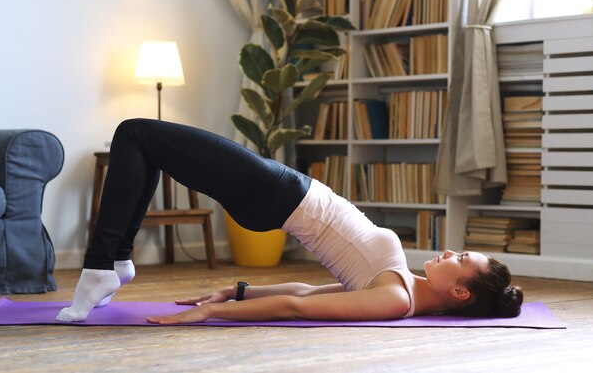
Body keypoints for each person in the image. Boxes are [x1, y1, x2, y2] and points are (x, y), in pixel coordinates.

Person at [56, 118, 523, 324]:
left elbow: (299, 311)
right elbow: (306, 292)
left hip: (279, 195)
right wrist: (234, 291)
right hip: (284, 192)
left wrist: (215, 313)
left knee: (134, 133)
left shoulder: (394, 300)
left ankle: (102, 264)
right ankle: (113, 262)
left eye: (460, 257)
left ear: (459, 291)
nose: (449, 251)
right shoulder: (404, 286)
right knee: (145, 143)